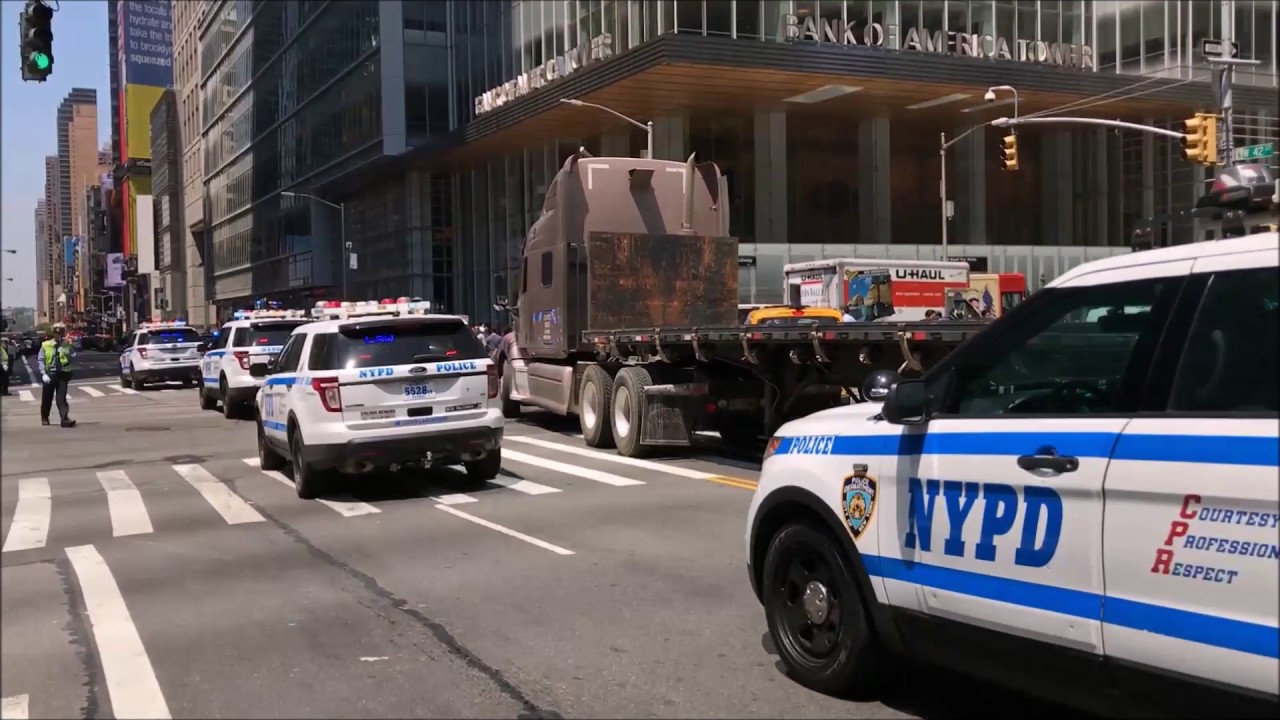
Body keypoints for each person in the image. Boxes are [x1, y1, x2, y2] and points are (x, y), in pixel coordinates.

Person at [38, 322, 76, 428]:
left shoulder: (66, 345)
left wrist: (67, 350)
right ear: (53, 335)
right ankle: (44, 417)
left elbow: (73, 357)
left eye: (60, 334)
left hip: (62, 374)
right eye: (56, 334)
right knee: (47, 398)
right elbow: (41, 360)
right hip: (50, 374)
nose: (58, 337)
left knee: (61, 398)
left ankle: (64, 419)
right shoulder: (46, 345)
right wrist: (43, 373)